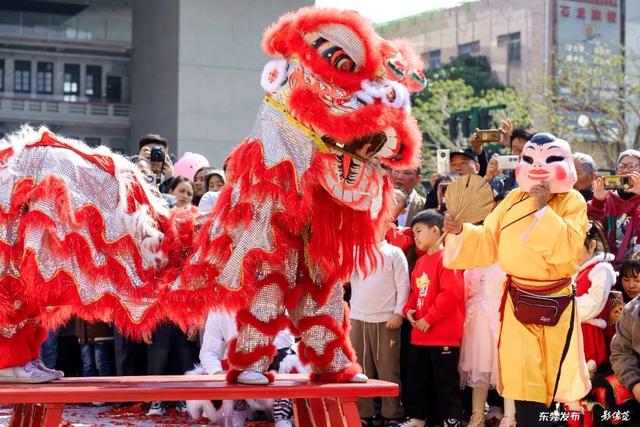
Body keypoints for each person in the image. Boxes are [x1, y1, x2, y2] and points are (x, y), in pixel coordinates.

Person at [442, 133, 590, 427]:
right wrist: (460, 231)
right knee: (522, 379)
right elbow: (487, 240)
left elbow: (568, 248)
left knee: (549, 382)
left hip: (554, 302)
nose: (538, 167)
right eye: (530, 159)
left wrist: (543, 208)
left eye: (550, 159)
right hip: (517, 302)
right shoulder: (512, 198)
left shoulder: (572, 201)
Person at [399, 209, 465, 427]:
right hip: (420, 335)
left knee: (445, 381)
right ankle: (417, 418)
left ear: (435, 231)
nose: (415, 237)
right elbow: (414, 293)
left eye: (419, 231)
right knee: (418, 379)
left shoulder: (448, 257)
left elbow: (452, 293)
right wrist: (408, 309)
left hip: (442, 334)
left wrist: (430, 318)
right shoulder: (420, 262)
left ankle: (451, 419)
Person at [186, 310, 300, 427]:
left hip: (269, 362)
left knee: (289, 361)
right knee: (216, 371)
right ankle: (239, 407)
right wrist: (218, 372)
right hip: (237, 365)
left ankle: (281, 415)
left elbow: (286, 342)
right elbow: (208, 352)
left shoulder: (270, 297)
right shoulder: (219, 309)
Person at [350, 222, 410, 426]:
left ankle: (392, 414)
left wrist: (398, 314)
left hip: (386, 320)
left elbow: (404, 285)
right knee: (360, 370)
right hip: (357, 319)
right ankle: (364, 414)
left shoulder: (394, 253)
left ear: (386, 227)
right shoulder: (355, 251)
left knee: (388, 369)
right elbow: (344, 277)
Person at [460, 261, 516, 427]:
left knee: (506, 367)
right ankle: (477, 415)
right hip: (477, 323)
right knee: (480, 367)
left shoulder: (506, 260)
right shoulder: (473, 264)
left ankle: (509, 416)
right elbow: (466, 292)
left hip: (502, 318)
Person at [589, 150, 640, 269]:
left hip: (635, 274)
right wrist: (598, 202)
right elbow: (592, 233)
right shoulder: (608, 197)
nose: (626, 170)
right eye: (621, 166)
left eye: (632, 166)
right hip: (607, 268)